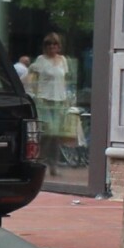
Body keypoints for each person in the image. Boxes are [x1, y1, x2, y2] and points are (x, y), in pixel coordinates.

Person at [25, 33, 81, 165]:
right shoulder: (41, 60)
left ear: (59, 46)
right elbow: (31, 78)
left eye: (55, 44)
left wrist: (69, 97)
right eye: (49, 44)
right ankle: (41, 159)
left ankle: (53, 164)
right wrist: (34, 93)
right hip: (45, 99)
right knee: (48, 131)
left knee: (56, 134)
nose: (52, 46)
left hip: (59, 100)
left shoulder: (63, 60)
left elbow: (65, 80)